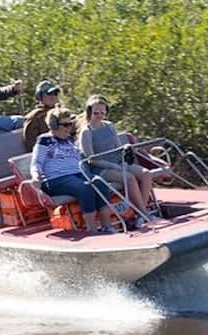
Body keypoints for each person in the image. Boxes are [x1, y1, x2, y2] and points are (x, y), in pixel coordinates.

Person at [30, 106, 117, 234]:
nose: (69, 128)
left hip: (77, 175)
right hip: (56, 180)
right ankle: (92, 230)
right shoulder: (45, 140)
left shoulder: (70, 141)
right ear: (54, 126)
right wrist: (35, 176)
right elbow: (36, 162)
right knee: (85, 187)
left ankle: (107, 226)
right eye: (65, 125)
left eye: (70, 124)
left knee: (99, 182)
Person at [78, 95, 159, 226]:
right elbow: (91, 160)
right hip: (102, 168)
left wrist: (126, 149)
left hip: (118, 162)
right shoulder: (86, 132)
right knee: (130, 178)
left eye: (102, 112)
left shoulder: (109, 126)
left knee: (146, 174)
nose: (99, 115)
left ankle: (141, 214)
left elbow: (118, 147)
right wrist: (113, 166)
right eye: (96, 113)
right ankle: (144, 214)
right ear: (89, 113)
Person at [23, 80, 62, 151]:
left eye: (55, 93)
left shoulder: (61, 112)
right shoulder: (34, 117)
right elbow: (31, 145)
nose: (53, 96)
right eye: (49, 93)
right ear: (40, 96)